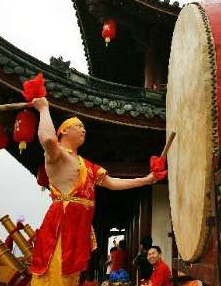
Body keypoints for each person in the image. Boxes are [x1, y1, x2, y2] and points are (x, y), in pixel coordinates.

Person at [29, 97, 158, 286]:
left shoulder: (87, 165)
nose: (84, 130)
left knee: (72, 275)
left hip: (80, 225)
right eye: (79, 126)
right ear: (64, 130)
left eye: (84, 127)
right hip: (62, 224)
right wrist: (43, 108)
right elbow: (48, 138)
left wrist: (146, 180)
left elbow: (113, 183)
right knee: (56, 273)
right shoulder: (57, 155)